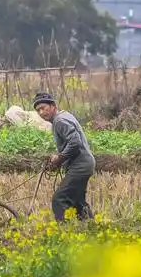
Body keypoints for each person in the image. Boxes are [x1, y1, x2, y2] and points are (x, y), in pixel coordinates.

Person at [33, 91, 95, 222]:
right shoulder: (64, 116)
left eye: (43, 108)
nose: (41, 113)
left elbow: (75, 142)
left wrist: (59, 159)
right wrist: (58, 158)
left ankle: (65, 233)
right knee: (78, 201)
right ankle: (91, 229)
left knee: (60, 199)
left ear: (53, 106)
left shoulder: (59, 121)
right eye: (38, 110)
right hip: (85, 163)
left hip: (80, 165)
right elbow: (71, 143)